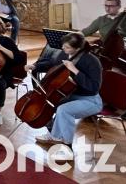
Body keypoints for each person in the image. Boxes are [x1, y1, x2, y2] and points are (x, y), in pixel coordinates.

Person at [25, 32, 102, 161]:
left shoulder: (92, 61)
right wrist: (35, 66)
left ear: (78, 48)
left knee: (64, 110)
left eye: (67, 47)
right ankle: (53, 134)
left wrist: (75, 70)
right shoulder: (65, 53)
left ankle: (68, 148)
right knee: (54, 103)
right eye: (63, 46)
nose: (63, 49)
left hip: (91, 100)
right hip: (73, 94)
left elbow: (94, 87)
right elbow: (51, 63)